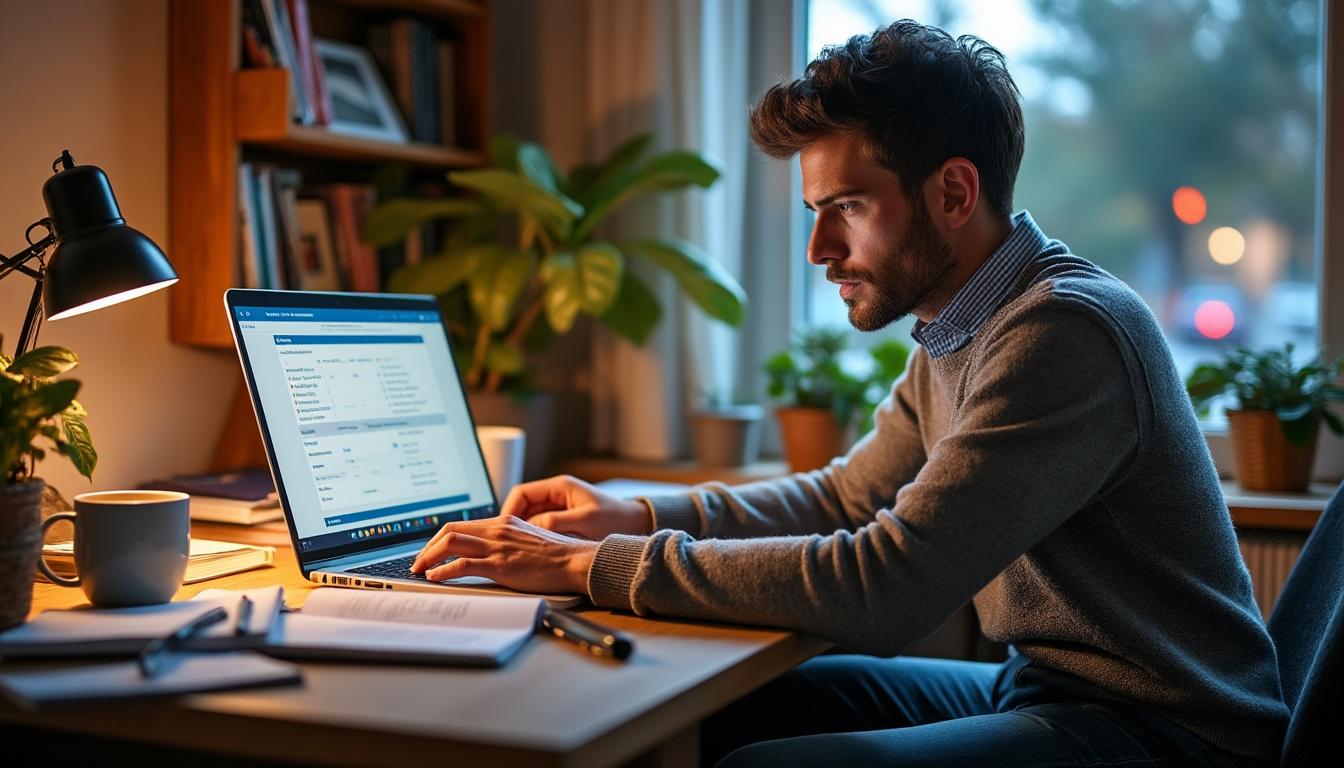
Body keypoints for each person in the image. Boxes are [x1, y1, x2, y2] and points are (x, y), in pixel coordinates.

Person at [411, 20, 1287, 767]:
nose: (819, 249)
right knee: (723, 717)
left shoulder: (1061, 331)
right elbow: (847, 499)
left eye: (849, 208)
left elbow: (887, 587)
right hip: (1043, 688)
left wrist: (587, 566)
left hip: (1169, 732)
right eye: (815, 213)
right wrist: (634, 516)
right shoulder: (962, 325)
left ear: (953, 192)